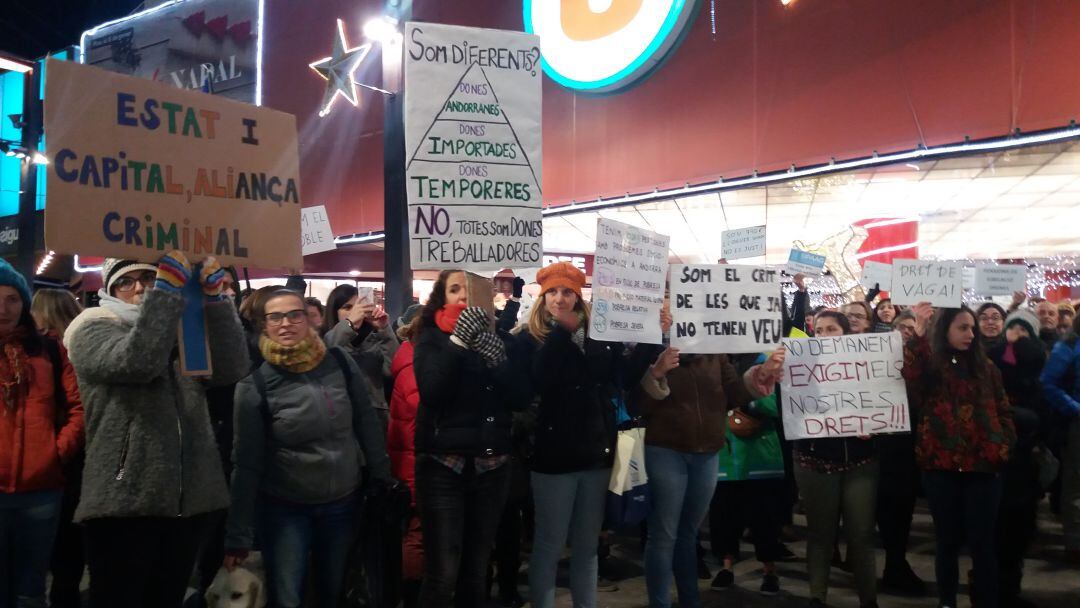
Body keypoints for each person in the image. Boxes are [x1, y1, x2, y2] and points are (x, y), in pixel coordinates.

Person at [64, 253, 249, 608]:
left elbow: (232, 368)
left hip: (188, 499)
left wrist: (214, 303)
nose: (139, 288)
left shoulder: (180, 329)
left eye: (148, 278)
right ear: (109, 291)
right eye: (125, 282)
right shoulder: (90, 328)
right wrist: (165, 294)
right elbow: (138, 361)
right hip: (124, 500)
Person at [223, 289, 390, 608]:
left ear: (309, 319)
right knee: (288, 597)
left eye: (294, 314)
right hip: (285, 509)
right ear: (264, 325)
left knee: (332, 592)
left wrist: (381, 475)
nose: (286, 323)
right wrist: (238, 535)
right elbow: (246, 464)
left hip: (343, 502)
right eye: (275, 317)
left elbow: (366, 421)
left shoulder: (339, 362)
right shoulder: (254, 387)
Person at [636, 311, 783, 607]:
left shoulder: (714, 350)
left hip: (707, 452)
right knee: (664, 535)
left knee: (687, 533)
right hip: (666, 450)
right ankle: (660, 603)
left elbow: (734, 393)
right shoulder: (648, 345)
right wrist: (656, 372)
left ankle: (690, 600)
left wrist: (762, 373)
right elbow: (637, 404)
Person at [515, 262, 630, 608]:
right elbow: (539, 380)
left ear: (579, 298)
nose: (560, 299)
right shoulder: (528, 338)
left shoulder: (597, 337)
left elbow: (618, 381)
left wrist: (647, 349)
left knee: (587, 547)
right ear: (542, 297)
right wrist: (561, 335)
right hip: (553, 457)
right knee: (549, 545)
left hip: (594, 454)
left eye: (567, 292)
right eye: (552, 292)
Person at [412, 270, 529, 607]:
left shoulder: (504, 341)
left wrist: (499, 361)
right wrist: (459, 344)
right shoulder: (431, 339)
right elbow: (432, 392)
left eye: (469, 289)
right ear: (442, 297)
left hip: (491, 467)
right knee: (443, 573)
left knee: (476, 570)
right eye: (454, 289)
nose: (463, 296)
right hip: (443, 467)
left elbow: (521, 397)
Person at [903, 302, 1015, 608]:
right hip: (941, 467)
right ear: (946, 330)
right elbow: (911, 376)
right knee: (947, 542)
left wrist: (1003, 444)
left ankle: (986, 601)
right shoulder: (932, 366)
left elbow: (1003, 408)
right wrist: (918, 335)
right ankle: (947, 601)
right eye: (962, 327)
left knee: (983, 544)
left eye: (972, 328)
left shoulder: (986, 367)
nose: (970, 334)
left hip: (984, 467)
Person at [0, 261, 84, 608]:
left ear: (24, 303)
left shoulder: (48, 350)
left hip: (41, 492)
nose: (3, 308)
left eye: (12, 299)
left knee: (31, 591)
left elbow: (78, 409)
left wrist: (54, 453)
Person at [794, 310, 880, 608]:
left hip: (860, 462)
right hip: (815, 462)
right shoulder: (801, 366)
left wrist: (873, 426)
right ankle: (817, 597)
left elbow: (883, 403)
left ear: (846, 333)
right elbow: (790, 411)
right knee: (820, 534)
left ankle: (869, 600)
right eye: (819, 330)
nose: (825, 335)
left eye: (832, 329)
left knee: (861, 534)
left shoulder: (866, 364)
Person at [27, 288, 86, 608]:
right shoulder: (87, 345)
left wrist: (50, 454)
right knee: (69, 557)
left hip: (47, 463)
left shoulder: (44, 352)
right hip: (77, 463)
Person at [987, 309, 1046, 607]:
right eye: (1014, 329)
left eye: (1025, 332)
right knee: (998, 531)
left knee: (1017, 532)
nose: (1018, 337)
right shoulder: (993, 363)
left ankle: (1009, 590)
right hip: (996, 463)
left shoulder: (1037, 367)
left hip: (1024, 464)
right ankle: (993, 591)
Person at [708, 388, 788, 597]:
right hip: (723, 461)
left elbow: (779, 405)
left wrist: (747, 401)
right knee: (724, 520)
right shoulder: (715, 371)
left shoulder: (767, 370)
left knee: (765, 522)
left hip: (760, 461)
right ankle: (726, 568)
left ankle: (769, 570)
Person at [388, 305, 424, 608]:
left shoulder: (410, 359)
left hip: (414, 461)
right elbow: (425, 407)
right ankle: (412, 597)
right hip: (416, 464)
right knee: (418, 534)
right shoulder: (413, 366)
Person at [323, 285, 399, 429]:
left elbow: (392, 369)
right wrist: (349, 324)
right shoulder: (329, 337)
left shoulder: (375, 339)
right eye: (347, 307)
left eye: (359, 306)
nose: (356, 311)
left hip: (375, 417)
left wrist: (384, 329)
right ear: (334, 311)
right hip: (340, 417)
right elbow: (327, 354)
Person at [1041, 311, 1080, 562]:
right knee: (1076, 486)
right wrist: (1075, 409)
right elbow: (1048, 383)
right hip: (1077, 424)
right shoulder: (1069, 344)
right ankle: (1076, 544)